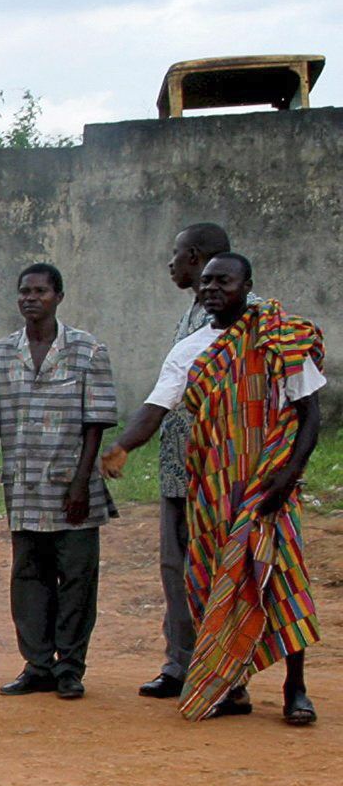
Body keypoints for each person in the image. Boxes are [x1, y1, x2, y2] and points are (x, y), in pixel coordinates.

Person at [101, 252, 324, 725]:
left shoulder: (277, 336)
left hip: (269, 485)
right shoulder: (190, 349)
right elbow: (156, 408)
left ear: (247, 284)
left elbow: (309, 415)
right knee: (209, 584)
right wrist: (122, 445)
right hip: (212, 489)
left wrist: (288, 477)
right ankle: (230, 686)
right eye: (205, 282)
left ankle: (296, 689)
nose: (211, 289)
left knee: (281, 581)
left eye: (223, 281)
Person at [0, 263, 119, 700]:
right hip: (23, 486)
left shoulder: (88, 351)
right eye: (24, 291)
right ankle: (37, 664)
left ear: (58, 296)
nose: (30, 298)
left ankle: (70, 668)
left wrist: (80, 482)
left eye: (40, 291)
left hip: (73, 489)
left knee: (77, 580)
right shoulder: (0, 354)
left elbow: (96, 423)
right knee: (28, 579)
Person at [139, 222, 233, 699]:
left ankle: (224, 672)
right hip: (178, 469)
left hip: (219, 472)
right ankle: (180, 663)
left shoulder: (241, 316)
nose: (170, 264)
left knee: (217, 569)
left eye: (175, 254)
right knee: (176, 568)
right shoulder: (192, 313)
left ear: (193, 256)